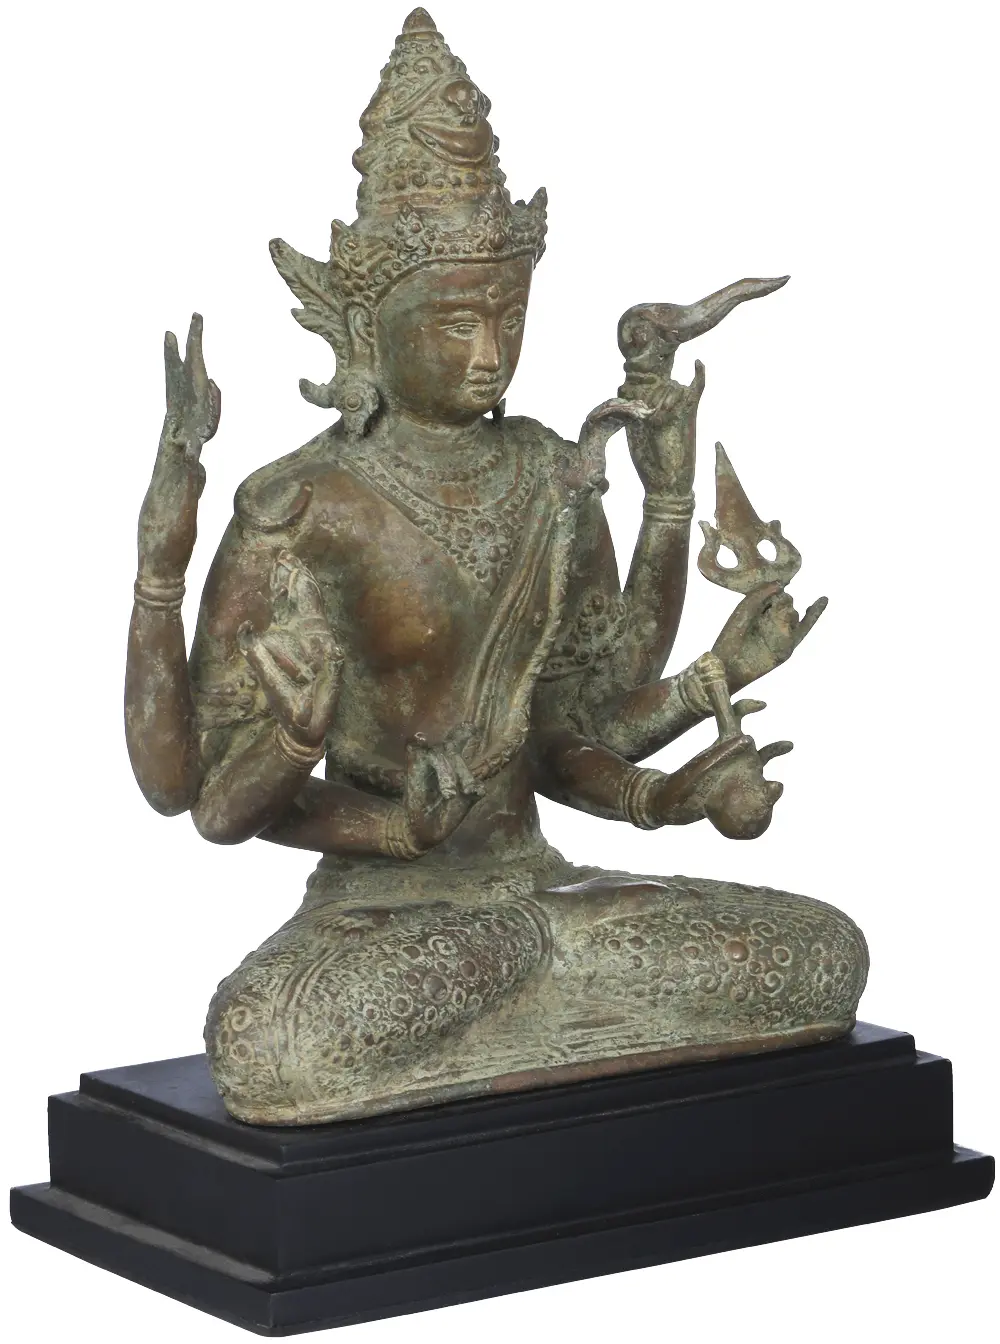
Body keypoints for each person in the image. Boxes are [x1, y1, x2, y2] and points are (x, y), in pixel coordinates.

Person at [125, 9, 866, 1124]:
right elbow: (209, 800)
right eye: (457, 323)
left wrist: (680, 769)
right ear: (369, 327)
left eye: (508, 319)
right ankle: (545, 1019)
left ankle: (521, 1019)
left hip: (546, 893)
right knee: (270, 1040)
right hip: (384, 921)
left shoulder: (548, 473)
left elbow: (577, 729)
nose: (489, 353)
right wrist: (348, 791)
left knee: (821, 951)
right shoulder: (300, 507)